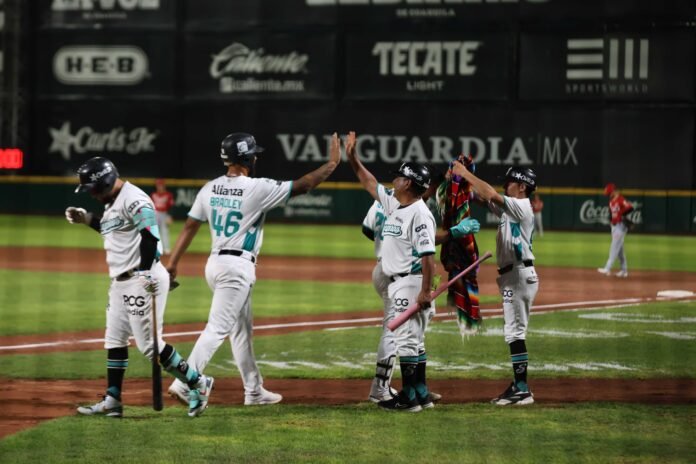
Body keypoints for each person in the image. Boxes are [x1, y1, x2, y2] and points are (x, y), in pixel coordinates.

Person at [166, 132, 341, 406]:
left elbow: (190, 225)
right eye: (253, 154)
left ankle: (254, 390)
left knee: (241, 331)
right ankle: (185, 381)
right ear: (247, 158)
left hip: (215, 264)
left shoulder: (210, 188)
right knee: (218, 328)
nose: (256, 158)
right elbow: (304, 185)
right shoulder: (257, 188)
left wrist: (173, 263)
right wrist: (332, 164)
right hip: (236, 269)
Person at [65, 157, 213, 418]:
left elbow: (150, 236)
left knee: (150, 346)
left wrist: (145, 271)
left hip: (142, 278)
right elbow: (114, 230)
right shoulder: (112, 202)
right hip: (120, 281)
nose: (92, 195)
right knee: (114, 339)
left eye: (92, 189)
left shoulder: (135, 199)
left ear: (105, 183)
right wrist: (87, 219)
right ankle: (113, 400)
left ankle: (197, 382)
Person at [346, 131, 436, 413]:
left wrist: (425, 291)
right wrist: (353, 158)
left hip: (410, 282)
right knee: (414, 340)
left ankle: (408, 398)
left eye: (398, 177)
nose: (394, 180)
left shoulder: (420, 213)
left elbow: (428, 256)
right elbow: (368, 182)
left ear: (408, 182)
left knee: (407, 340)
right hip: (400, 282)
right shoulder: (395, 202)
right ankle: (420, 393)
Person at [451, 162, 539, 406]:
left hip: (519, 275)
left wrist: (465, 173)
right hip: (514, 275)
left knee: (515, 332)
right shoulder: (511, 210)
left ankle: (522, 389)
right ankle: (519, 386)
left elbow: (490, 193)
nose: (505, 186)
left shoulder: (521, 205)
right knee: (513, 331)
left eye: (510, 182)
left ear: (522, 187)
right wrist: (460, 187)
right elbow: (484, 198)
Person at [434, 154, 482, 337]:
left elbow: (473, 192)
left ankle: (467, 319)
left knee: (462, 277)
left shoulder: (458, 190)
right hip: (455, 242)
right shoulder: (450, 190)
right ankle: (467, 318)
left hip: (455, 243)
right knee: (462, 277)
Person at [597, 183, 633, 278]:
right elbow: (611, 214)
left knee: (614, 247)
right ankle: (624, 271)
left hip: (620, 226)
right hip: (614, 226)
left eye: (609, 193)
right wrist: (611, 221)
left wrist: (622, 214)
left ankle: (607, 268)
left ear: (613, 191)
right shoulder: (611, 201)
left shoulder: (621, 199)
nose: (608, 195)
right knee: (620, 251)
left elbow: (630, 207)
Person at [151, 178, 174, 254]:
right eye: (158, 185)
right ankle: (156, 248)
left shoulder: (168, 195)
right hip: (155, 214)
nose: (159, 187)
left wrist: (169, 216)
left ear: (164, 186)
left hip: (164, 214)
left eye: (161, 185)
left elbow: (171, 206)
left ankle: (166, 248)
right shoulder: (153, 194)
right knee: (155, 231)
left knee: (165, 231)